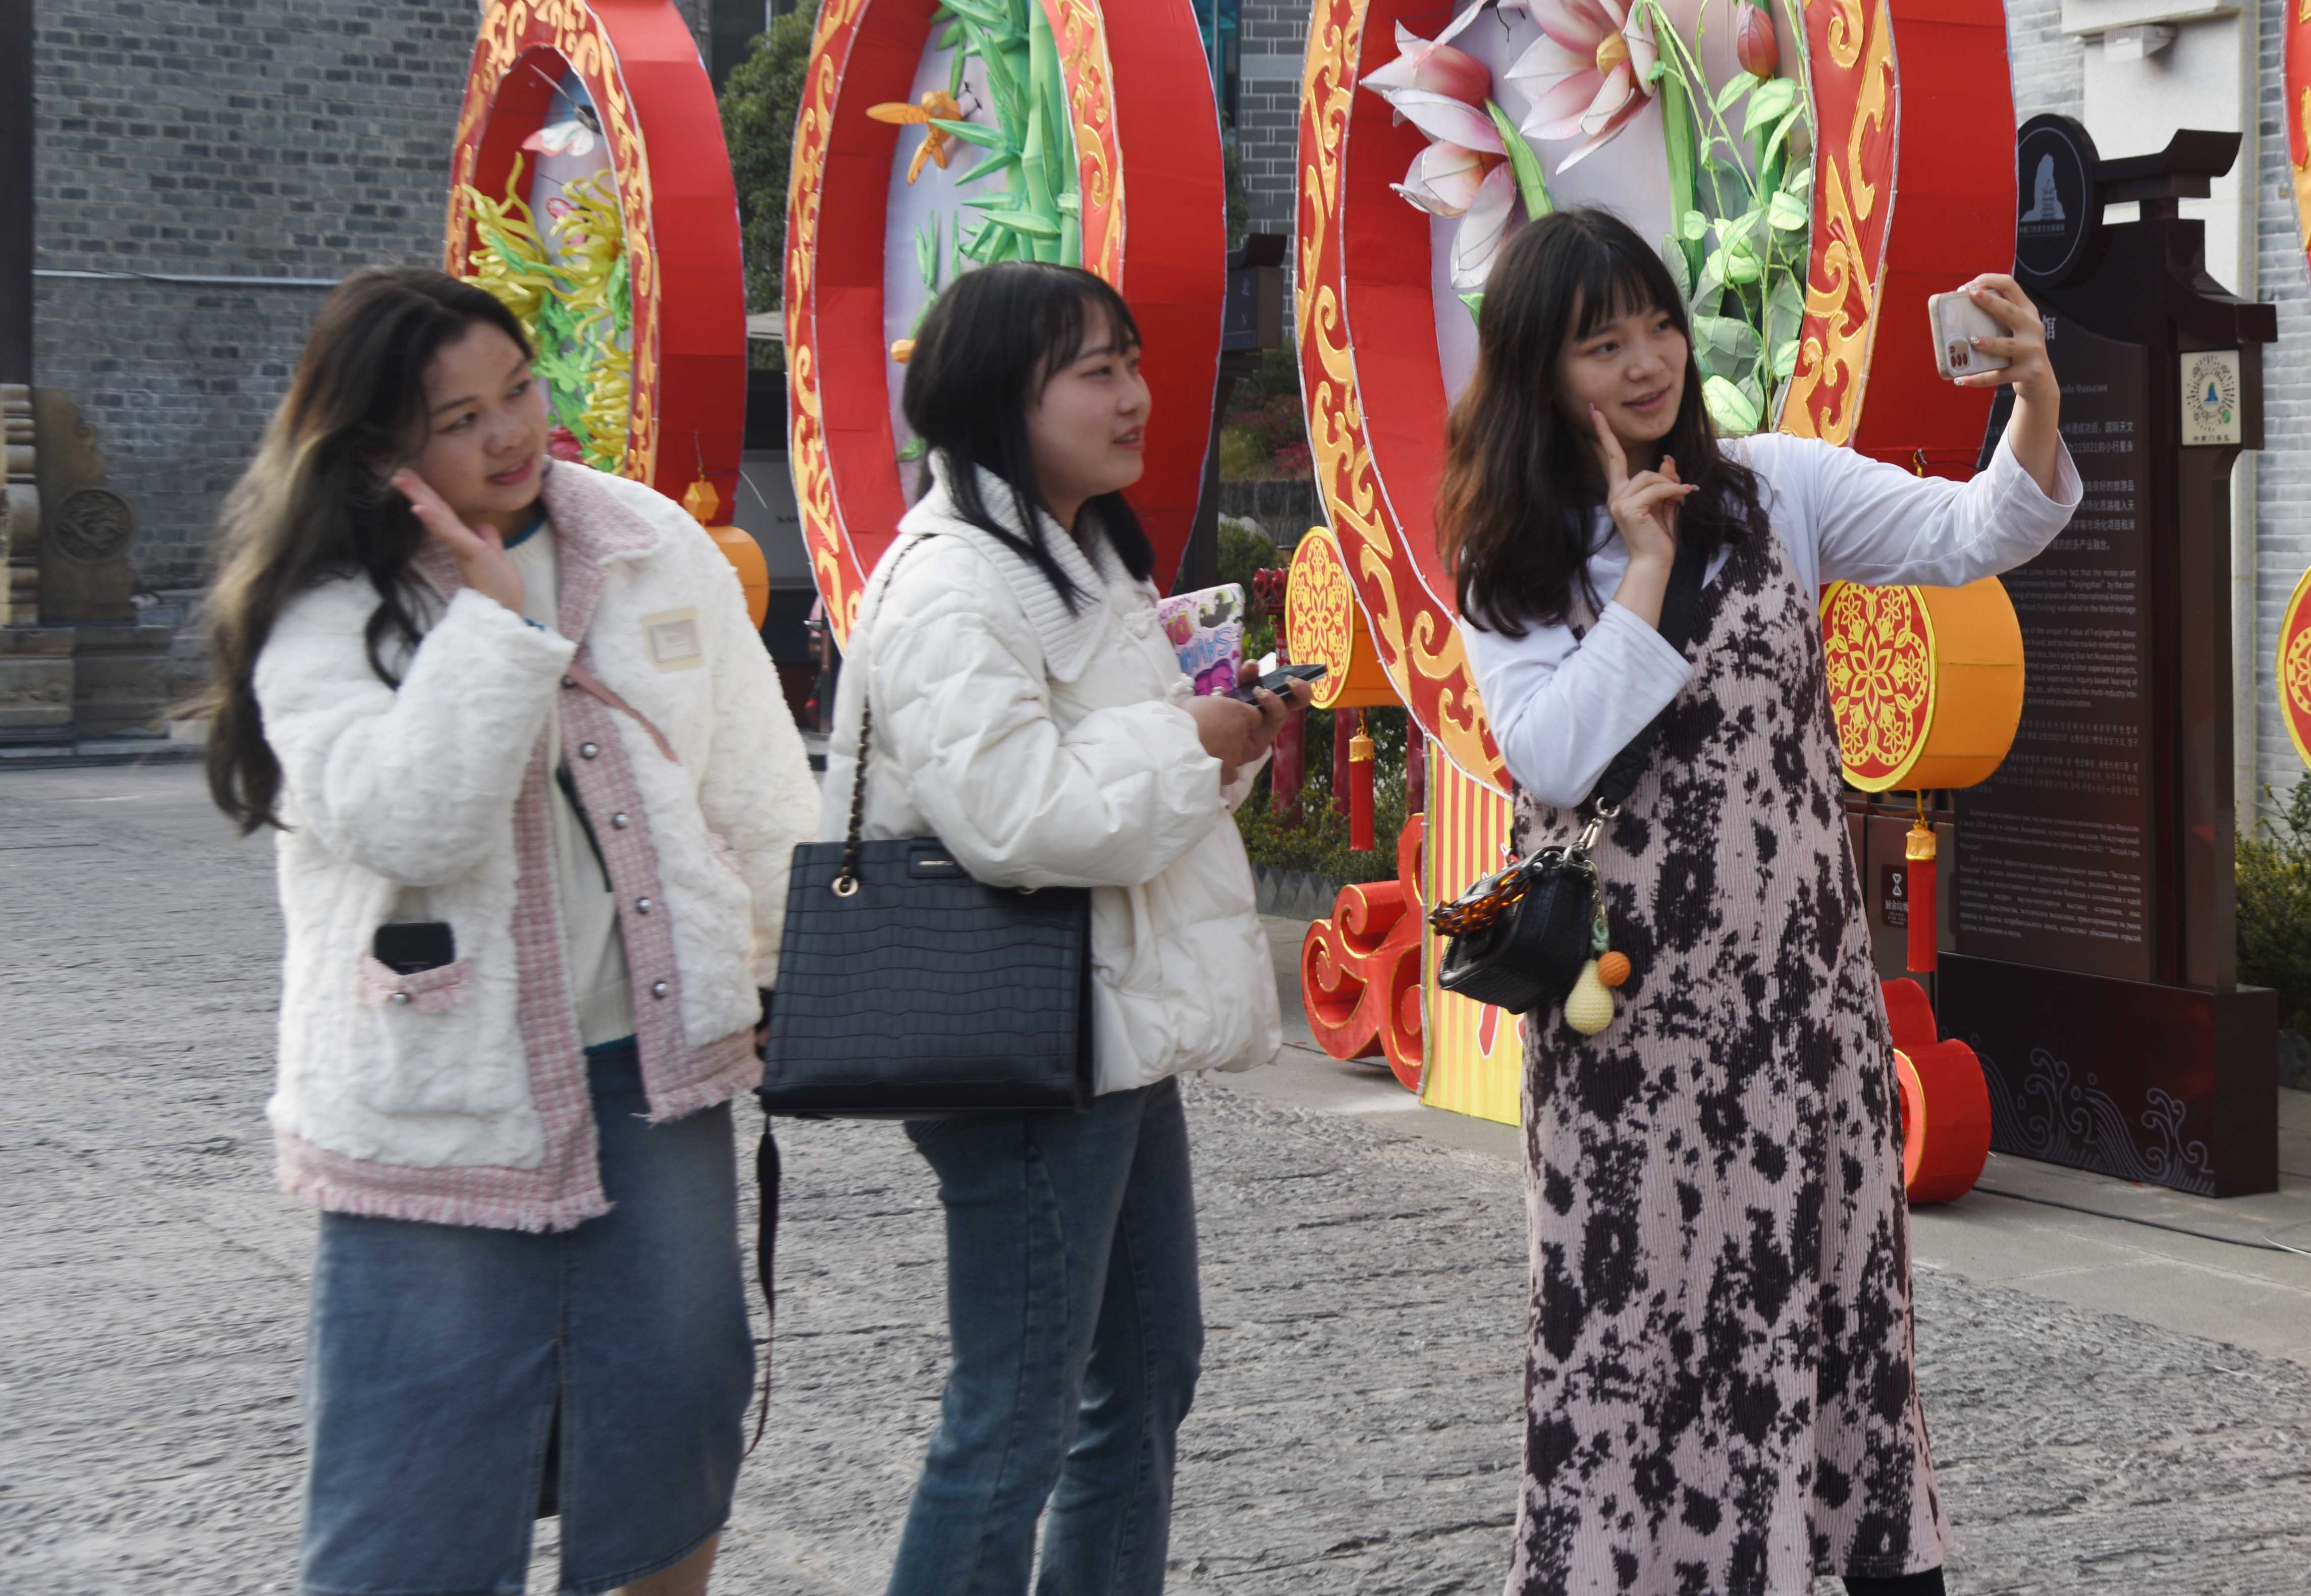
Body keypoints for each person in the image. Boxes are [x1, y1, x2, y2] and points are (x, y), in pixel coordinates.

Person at [1443, 209, 2080, 1596]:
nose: (1646, 363)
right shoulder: (1514, 557)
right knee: (1638, 1340)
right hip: (1627, 1043)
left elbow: (1978, 532)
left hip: (1803, 1021)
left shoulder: (1776, 487)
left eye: (1658, 325)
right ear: (1538, 371)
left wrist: (2032, 399)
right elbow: (1553, 758)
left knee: (1832, 1318)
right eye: (1601, 344)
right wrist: (1645, 571)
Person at [198, 267, 817, 1596]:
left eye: (519, 390)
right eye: (459, 417)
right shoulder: (328, 599)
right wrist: (490, 621)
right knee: (420, 1450)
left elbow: (755, 783)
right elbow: (408, 824)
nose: (509, 433)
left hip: (652, 1067)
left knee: (676, 1409)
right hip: (439, 1096)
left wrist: (786, 973)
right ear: (375, 441)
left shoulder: (649, 540)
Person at [826, 260, 1299, 1596]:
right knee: (1016, 1412)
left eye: (1133, 362)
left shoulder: (1075, 557)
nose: (1135, 395)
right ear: (1000, 397)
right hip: (1024, 1045)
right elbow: (1014, 816)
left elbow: (1125, 778)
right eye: (1097, 371)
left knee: (1145, 1371)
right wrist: (1188, 740)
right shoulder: (953, 584)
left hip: (1108, 1028)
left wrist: (1223, 735)